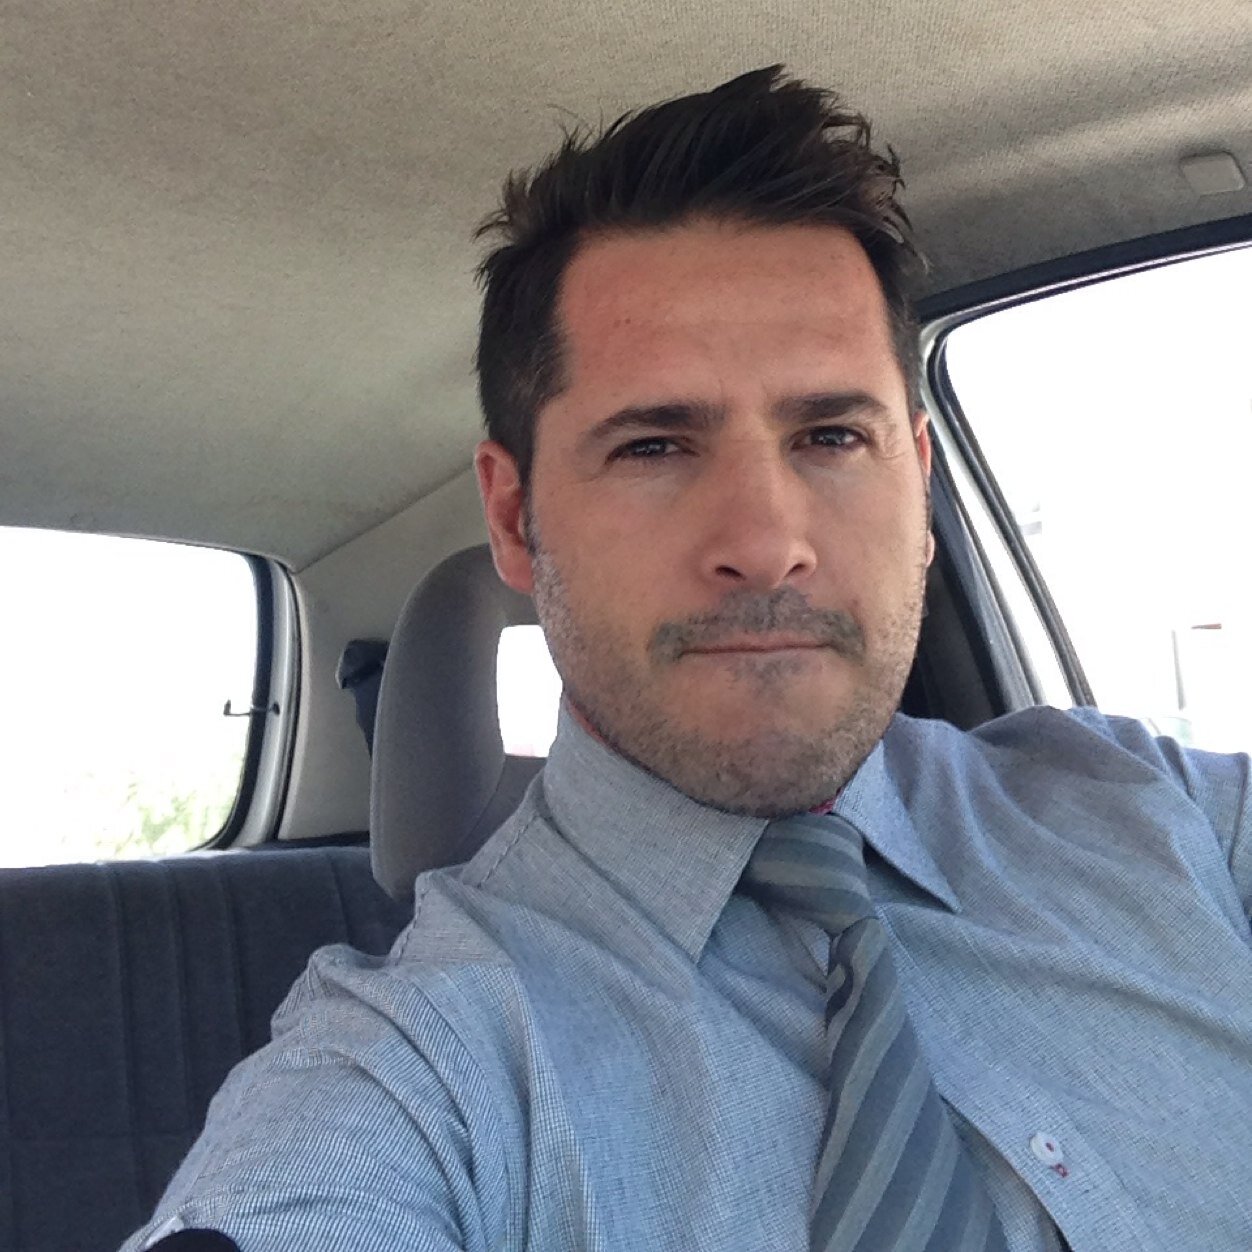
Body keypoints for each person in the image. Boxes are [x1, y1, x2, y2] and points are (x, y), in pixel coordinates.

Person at [122, 66, 1252, 1252]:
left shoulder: (1166, 819)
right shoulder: (413, 1071)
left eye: (831, 435)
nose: (765, 541)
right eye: (655, 445)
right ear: (513, 519)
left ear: (918, 483)